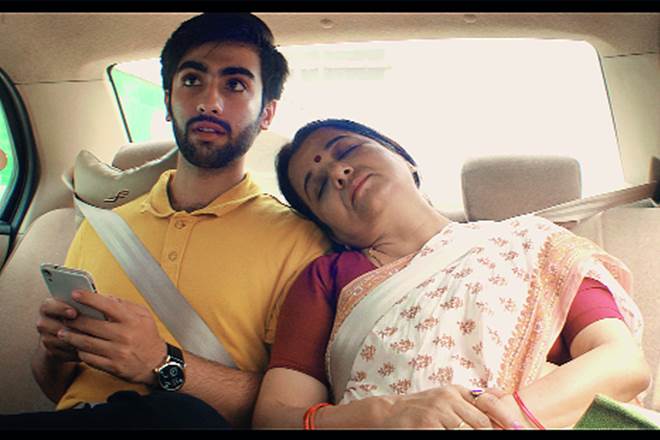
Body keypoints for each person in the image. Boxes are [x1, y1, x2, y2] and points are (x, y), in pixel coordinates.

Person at [0, 14, 328, 429]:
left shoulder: (301, 242)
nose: (209, 102)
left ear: (267, 113)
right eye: (192, 80)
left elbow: (285, 413)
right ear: (169, 101)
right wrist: (55, 349)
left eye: (235, 85)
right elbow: (57, 389)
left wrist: (161, 362)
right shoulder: (101, 227)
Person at [252, 118, 652, 429]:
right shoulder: (326, 278)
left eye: (347, 150)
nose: (338, 172)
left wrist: (494, 421)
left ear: (403, 158)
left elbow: (620, 362)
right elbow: (275, 417)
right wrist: (383, 415)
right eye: (319, 186)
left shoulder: (533, 243)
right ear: (330, 228)